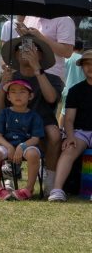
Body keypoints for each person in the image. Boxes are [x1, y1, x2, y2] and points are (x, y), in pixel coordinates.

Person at [0, 33, 62, 186]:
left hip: (40, 128)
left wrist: (37, 69)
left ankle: (50, 181)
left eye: (32, 48)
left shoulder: (53, 79)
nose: (26, 51)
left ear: (40, 54)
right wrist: (3, 86)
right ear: (16, 54)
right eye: (22, 48)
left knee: (55, 133)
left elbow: (51, 99)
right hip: (11, 128)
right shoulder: (7, 79)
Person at [0, 76, 46, 200]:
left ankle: (29, 189)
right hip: (6, 145)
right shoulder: (3, 113)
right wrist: (8, 146)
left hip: (27, 146)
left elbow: (35, 139)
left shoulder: (34, 116)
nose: (17, 95)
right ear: (8, 97)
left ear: (30, 96)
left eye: (22, 92)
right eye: (13, 92)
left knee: (34, 154)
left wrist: (21, 146)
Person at [48, 43, 92, 203]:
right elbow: (69, 119)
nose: (89, 67)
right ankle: (57, 189)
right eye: (86, 64)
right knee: (68, 150)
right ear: (82, 68)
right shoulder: (75, 90)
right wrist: (70, 136)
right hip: (80, 132)